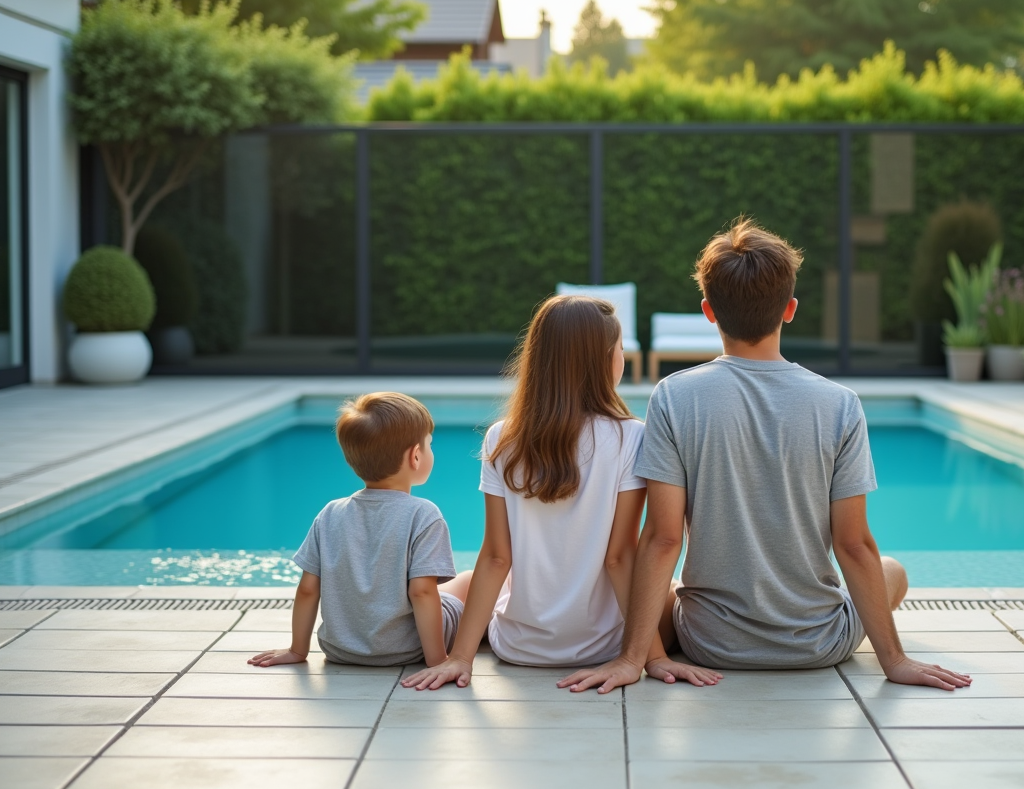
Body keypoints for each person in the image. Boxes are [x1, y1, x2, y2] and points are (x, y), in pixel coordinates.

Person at [559, 219, 973, 693]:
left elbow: (662, 538)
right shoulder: (840, 405)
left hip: (709, 643)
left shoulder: (674, 397)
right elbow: (854, 544)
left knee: (672, 592)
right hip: (817, 644)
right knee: (892, 570)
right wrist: (894, 660)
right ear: (790, 309)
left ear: (708, 312)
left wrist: (633, 658)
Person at [402, 296, 721, 690]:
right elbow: (620, 558)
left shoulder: (503, 438)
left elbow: (498, 556)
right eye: (620, 350)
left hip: (518, 646)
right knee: (671, 593)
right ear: (606, 360)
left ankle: (400, 623)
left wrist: (461, 659)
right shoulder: (630, 437)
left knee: (469, 577)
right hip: (606, 646)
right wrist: (649, 657)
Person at [249, 392, 471, 669]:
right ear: (415, 456)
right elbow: (422, 593)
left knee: (452, 588)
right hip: (408, 650)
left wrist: (297, 650)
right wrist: (437, 660)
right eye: (429, 445)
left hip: (340, 650)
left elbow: (307, 589)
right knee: (471, 581)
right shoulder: (423, 514)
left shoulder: (330, 513)